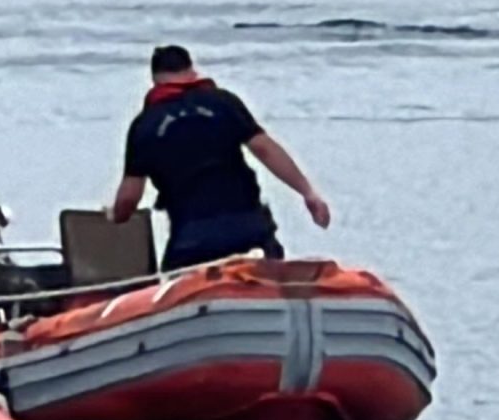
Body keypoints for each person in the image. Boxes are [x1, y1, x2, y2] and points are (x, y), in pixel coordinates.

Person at [108, 45, 332, 270]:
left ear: (155, 80)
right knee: (268, 269)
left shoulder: (145, 125)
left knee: (169, 285)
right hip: (249, 227)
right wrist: (308, 193)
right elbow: (265, 150)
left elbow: (129, 198)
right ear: (192, 71)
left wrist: (116, 216)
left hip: (193, 238)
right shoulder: (224, 103)